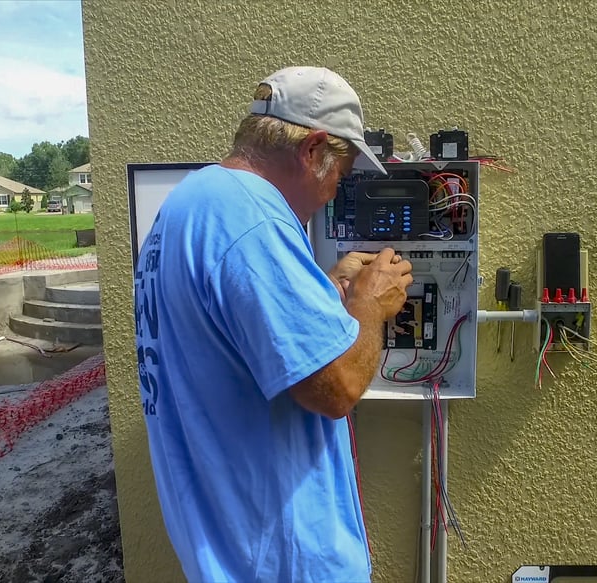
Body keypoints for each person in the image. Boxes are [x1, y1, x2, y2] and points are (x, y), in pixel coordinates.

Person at [134, 66, 413, 582]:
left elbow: (241, 337)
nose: (336, 192)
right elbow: (337, 389)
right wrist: (370, 306)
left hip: (224, 550)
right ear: (312, 150)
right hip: (283, 563)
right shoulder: (254, 220)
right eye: (341, 172)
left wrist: (328, 287)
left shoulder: (190, 205)